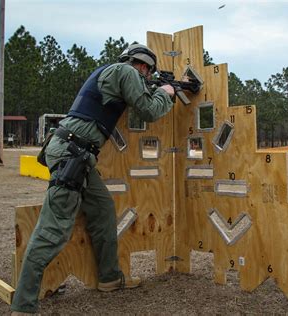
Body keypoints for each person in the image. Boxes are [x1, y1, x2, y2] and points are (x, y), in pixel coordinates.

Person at [11, 44, 175, 315]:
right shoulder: (125, 71)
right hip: (72, 154)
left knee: (102, 210)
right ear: (142, 66)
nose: (146, 77)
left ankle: (109, 278)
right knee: (53, 230)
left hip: (79, 156)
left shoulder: (114, 72)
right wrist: (166, 93)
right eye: (147, 72)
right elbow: (149, 110)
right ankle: (24, 304)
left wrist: (160, 88)